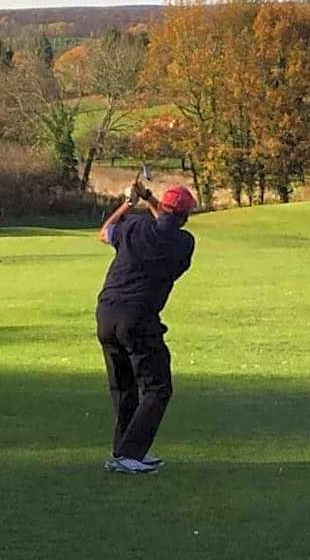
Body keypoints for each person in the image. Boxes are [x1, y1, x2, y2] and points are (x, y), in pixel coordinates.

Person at [95, 181, 197, 474]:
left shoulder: (133, 228)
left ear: (163, 207)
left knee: (124, 386)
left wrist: (129, 202)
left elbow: (104, 233)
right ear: (186, 216)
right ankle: (129, 454)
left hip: (106, 315)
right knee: (157, 388)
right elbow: (166, 225)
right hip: (138, 318)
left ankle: (124, 451)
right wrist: (150, 199)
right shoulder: (183, 243)